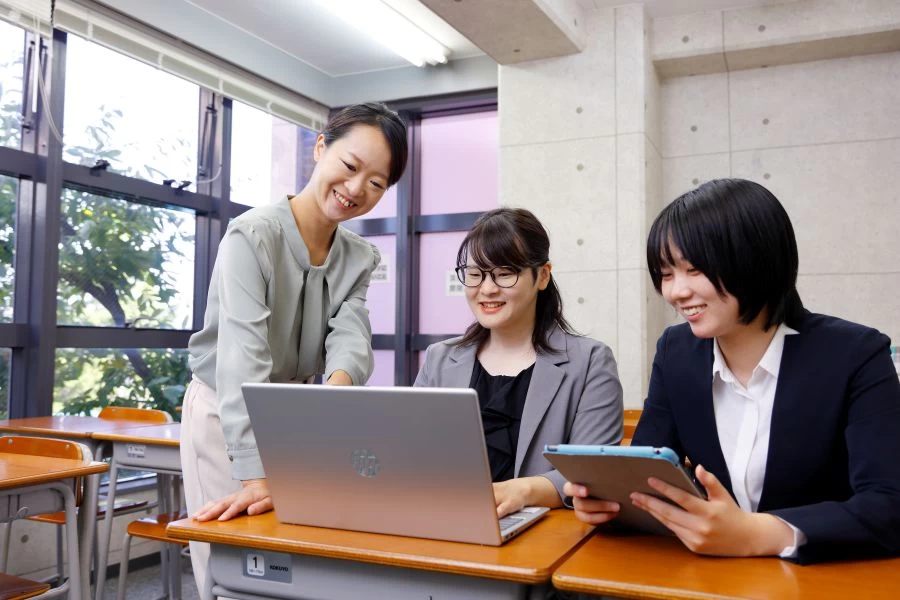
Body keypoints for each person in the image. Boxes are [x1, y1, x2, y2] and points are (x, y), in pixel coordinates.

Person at [564, 178, 900, 564]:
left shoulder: (855, 355)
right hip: (708, 579)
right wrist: (613, 504)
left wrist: (761, 533)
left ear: (757, 260)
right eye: (666, 273)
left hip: (824, 578)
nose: (676, 292)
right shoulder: (675, 353)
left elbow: (887, 507)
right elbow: (647, 470)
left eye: (694, 269)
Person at [180, 103, 407, 594]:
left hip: (296, 412)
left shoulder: (360, 256)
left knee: (293, 569)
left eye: (376, 182)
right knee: (233, 571)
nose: (355, 189)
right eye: (350, 166)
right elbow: (241, 358)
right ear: (321, 148)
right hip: (227, 412)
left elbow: (351, 333)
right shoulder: (252, 235)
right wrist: (255, 472)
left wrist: (336, 391)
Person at [415, 208, 624, 517]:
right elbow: (411, 454)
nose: (487, 288)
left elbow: (592, 474)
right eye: (475, 274)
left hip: (541, 541)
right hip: (446, 523)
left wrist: (524, 491)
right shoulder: (440, 359)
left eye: (504, 273)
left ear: (542, 276)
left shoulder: (590, 363)